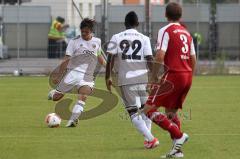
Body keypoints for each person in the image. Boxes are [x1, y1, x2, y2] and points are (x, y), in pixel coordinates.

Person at [143, 2, 196, 158]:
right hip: (187, 76)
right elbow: (193, 58)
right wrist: (188, 75)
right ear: (180, 16)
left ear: (165, 15)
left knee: (148, 110)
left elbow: (160, 55)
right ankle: (177, 151)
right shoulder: (186, 33)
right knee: (171, 112)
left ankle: (178, 135)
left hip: (174, 75)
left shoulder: (165, 30)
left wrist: (153, 77)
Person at [105, 11, 159, 149]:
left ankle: (151, 139)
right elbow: (150, 59)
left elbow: (110, 58)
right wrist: (154, 77)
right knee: (145, 109)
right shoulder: (144, 38)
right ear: (137, 24)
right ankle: (148, 139)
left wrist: (108, 76)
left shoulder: (116, 37)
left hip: (126, 79)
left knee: (132, 112)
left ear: (125, 24)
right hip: (142, 78)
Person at [48, 18, 106, 127]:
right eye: (82, 31)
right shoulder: (74, 42)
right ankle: (53, 93)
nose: (84, 34)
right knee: (56, 97)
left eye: (86, 32)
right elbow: (66, 59)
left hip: (87, 76)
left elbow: (99, 56)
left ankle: (72, 120)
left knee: (83, 96)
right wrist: (59, 75)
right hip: (72, 74)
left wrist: (108, 68)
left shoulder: (97, 41)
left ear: (92, 32)